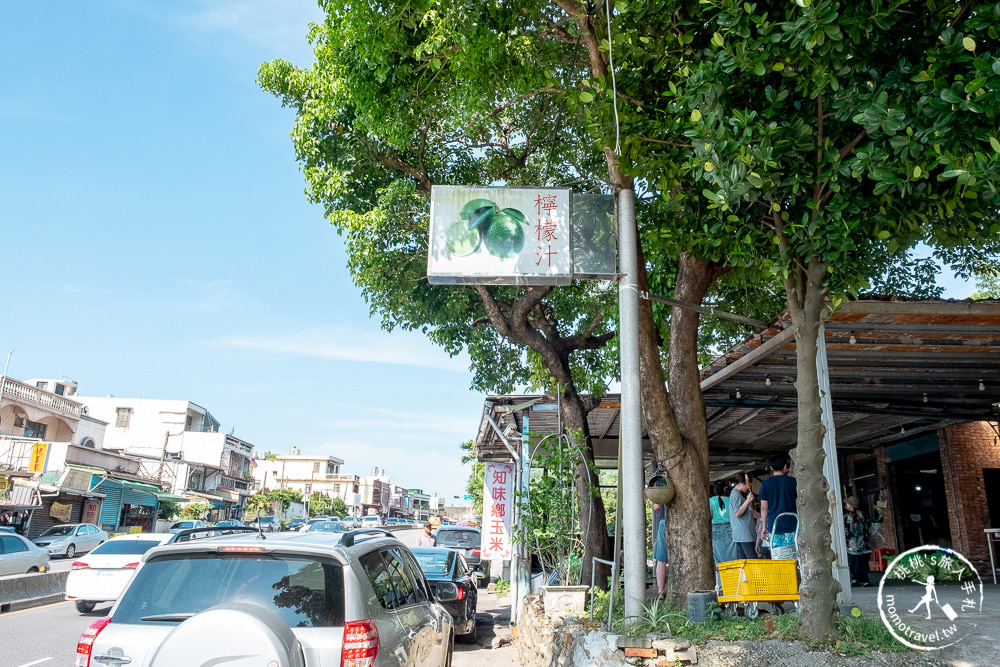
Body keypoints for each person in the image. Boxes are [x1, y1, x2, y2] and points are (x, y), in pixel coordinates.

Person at [758, 452, 797, 558]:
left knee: (778, 557)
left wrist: (764, 527)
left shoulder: (765, 484)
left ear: (771, 468)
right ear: (785, 466)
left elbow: (764, 508)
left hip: (774, 525)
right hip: (792, 525)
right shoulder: (793, 482)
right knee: (793, 555)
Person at [844, 495, 877, 587]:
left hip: (853, 544)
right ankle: (861, 579)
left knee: (854, 563)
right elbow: (869, 528)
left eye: (847, 504)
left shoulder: (848, 517)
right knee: (862, 563)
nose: (846, 505)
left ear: (851, 505)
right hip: (863, 544)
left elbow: (846, 530)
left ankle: (858, 579)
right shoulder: (863, 515)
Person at [711, 480, 739, 571]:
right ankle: (733, 581)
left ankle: (721, 584)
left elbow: (710, 516)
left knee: (718, 558)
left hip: (715, 528)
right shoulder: (730, 500)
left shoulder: (710, 501)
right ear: (724, 489)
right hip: (730, 527)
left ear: (715, 490)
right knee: (733, 556)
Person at [729, 476, 756, 559]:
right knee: (752, 559)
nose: (748, 488)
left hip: (741, 534)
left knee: (743, 560)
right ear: (741, 483)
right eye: (747, 486)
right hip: (744, 534)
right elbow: (737, 513)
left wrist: (752, 513)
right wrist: (748, 501)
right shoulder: (735, 494)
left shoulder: (738, 494)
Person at [652, 503, 668, 600]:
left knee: (661, 560)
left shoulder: (661, 486)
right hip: (683, 523)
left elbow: (656, 506)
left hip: (664, 522)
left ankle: (661, 591)